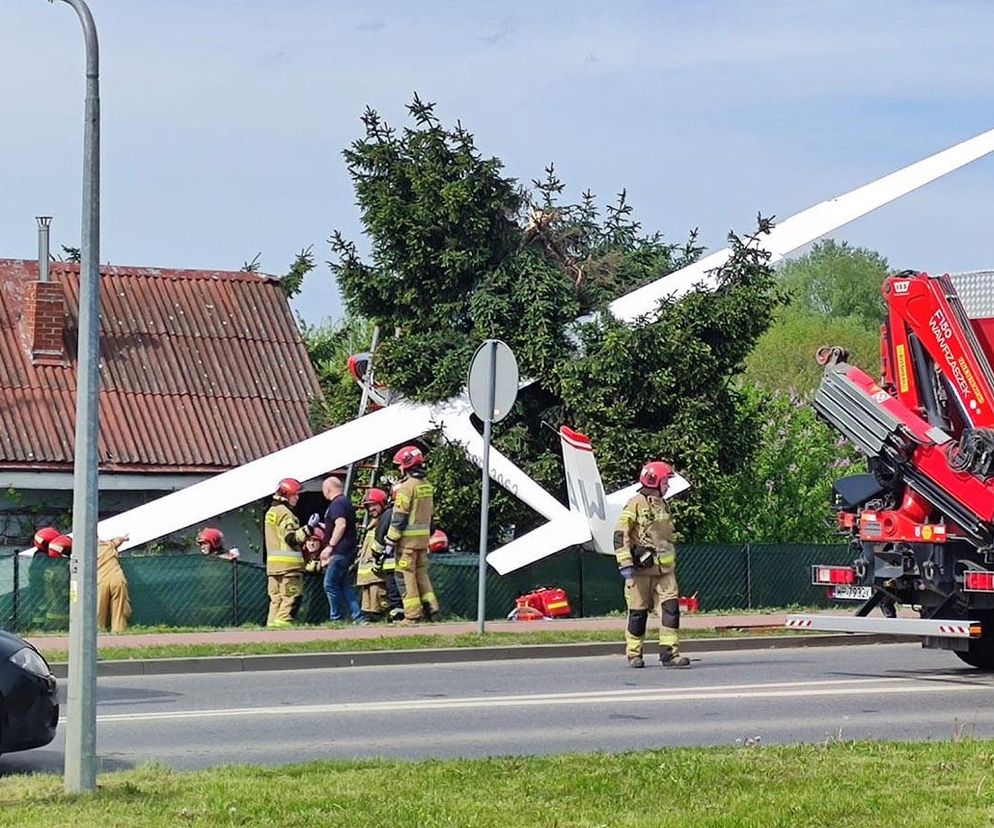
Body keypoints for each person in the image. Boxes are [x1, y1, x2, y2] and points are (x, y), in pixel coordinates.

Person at [614, 460, 690, 669]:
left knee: (671, 609)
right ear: (654, 481)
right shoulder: (635, 503)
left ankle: (669, 653)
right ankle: (634, 653)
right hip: (641, 571)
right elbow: (621, 534)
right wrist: (626, 562)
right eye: (666, 481)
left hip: (665, 571)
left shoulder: (663, 502)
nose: (667, 486)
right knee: (638, 612)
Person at [386, 446, 440, 624]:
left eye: (400, 465)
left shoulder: (407, 487)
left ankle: (412, 615)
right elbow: (432, 516)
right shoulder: (427, 486)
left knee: (405, 575)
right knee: (421, 574)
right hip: (423, 541)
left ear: (406, 465)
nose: (399, 469)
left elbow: (399, 516)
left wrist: (391, 539)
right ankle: (431, 609)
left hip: (407, 543)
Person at [264, 477, 316, 627]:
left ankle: (271, 630)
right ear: (286, 495)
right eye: (295, 495)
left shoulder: (271, 512)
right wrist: (309, 528)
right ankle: (282, 630)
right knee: (292, 598)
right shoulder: (287, 514)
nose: (297, 498)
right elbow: (291, 538)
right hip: (289, 567)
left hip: (273, 568)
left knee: (276, 600)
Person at [318, 473, 364, 623]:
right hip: (348, 551)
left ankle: (336, 618)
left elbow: (341, 524)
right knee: (344, 585)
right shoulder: (346, 503)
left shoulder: (336, 504)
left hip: (339, 552)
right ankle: (358, 617)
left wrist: (330, 546)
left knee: (329, 584)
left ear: (327, 489)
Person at [355, 488, 391, 621]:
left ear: (382, 504)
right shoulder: (372, 525)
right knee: (368, 612)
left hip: (379, 578)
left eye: (374, 505)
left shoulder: (385, 522)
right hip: (366, 579)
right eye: (368, 506)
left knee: (380, 611)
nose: (371, 509)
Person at [97, 535, 133, 633]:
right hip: (117, 579)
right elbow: (118, 540)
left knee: (99, 609)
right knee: (119, 608)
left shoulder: (85, 551)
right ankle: (119, 630)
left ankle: (98, 630)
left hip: (100, 580)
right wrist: (124, 538)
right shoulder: (109, 545)